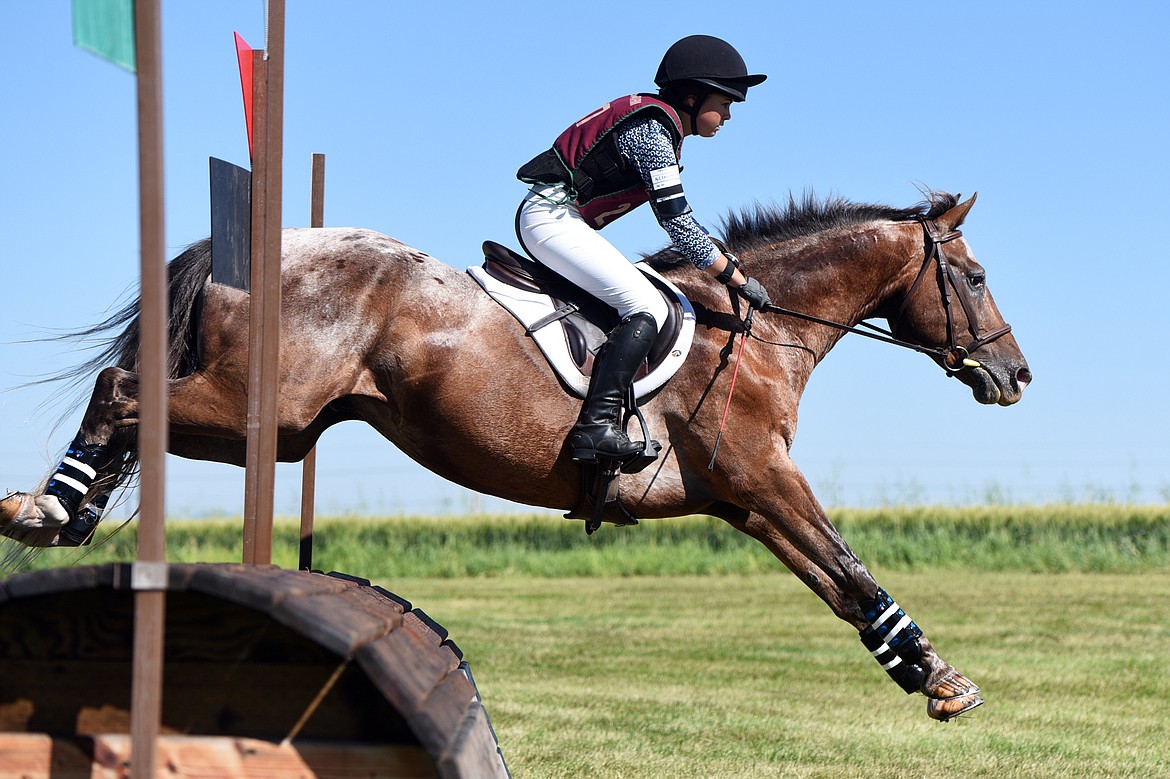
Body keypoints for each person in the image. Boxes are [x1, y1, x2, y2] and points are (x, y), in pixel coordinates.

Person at [515, 34, 771, 469]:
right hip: (550, 218)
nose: (728, 114)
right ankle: (596, 426)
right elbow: (679, 225)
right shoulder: (652, 130)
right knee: (646, 305)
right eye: (724, 102)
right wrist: (738, 279)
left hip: (561, 220)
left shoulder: (659, 124)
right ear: (691, 96)